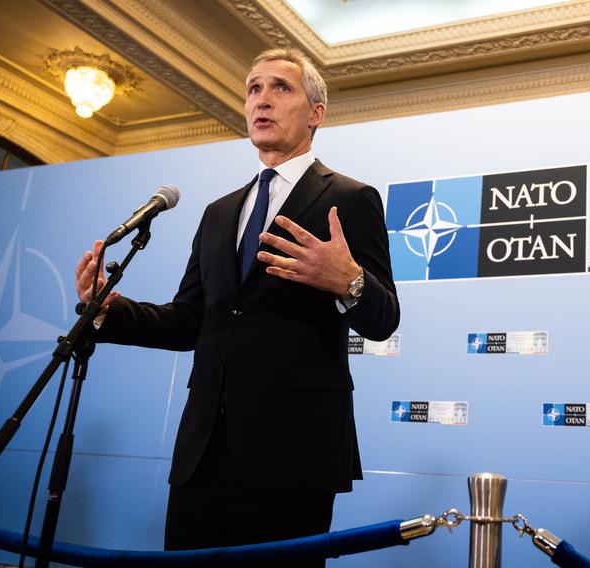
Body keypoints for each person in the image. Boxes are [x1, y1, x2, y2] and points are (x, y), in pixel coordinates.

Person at [74, 48, 399, 564]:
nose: (261, 101)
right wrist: (107, 309)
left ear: (316, 113)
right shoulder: (219, 212)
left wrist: (348, 280)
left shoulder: (351, 199)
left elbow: (384, 321)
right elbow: (187, 323)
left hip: (294, 454)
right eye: (253, 89)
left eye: (280, 88)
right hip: (202, 453)